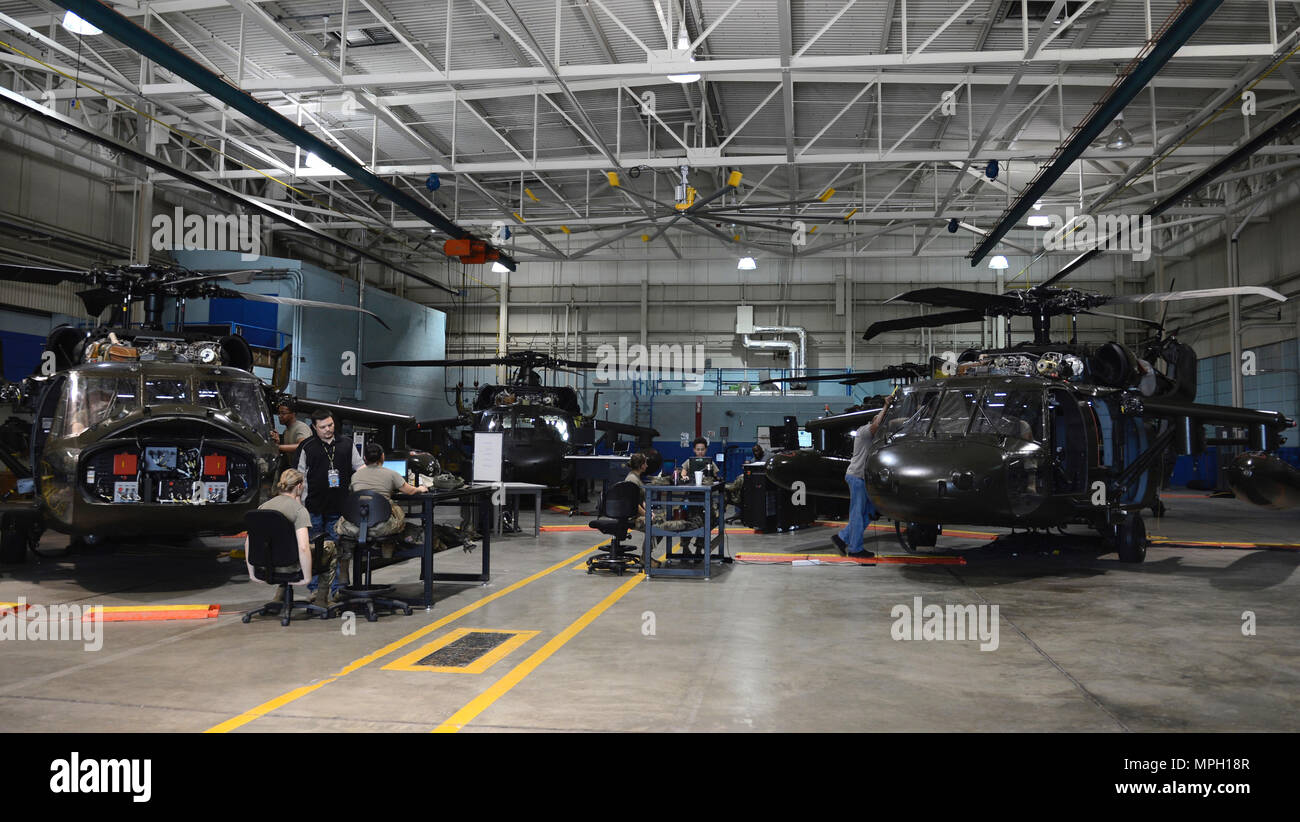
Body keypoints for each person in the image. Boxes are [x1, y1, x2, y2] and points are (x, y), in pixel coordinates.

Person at [245, 469, 337, 608]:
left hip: (266, 565)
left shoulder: (263, 507)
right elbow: (303, 547)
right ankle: (321, 600)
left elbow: (249, 542)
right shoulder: (298, 510)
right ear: (299, 486)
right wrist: (306, 577)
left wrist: (252, 573)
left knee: (280, 546)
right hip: (290, 566)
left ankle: (279, 597)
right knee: (330, 546)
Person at [297, 410, 364, 593]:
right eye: (323, 427)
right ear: (314, 427)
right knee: (314, 549)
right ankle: (315, 590)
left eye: (330, 425)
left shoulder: (346, 444)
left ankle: (333, 590)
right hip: (313, 507)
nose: (328, 430)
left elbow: (360, 468)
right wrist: (299, 505)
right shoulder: (307, 447)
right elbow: (300, 477)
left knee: (334, 548)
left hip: (338, 506)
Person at [832, 394, 893, 560]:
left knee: (869, 512)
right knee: (858, 513)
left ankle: (843, 537)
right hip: (857, 477)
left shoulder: (869, 434)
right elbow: (877, 425)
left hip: (861, 478)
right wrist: (886, 407)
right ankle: (855, 548)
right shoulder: (866, 431)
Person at [337, 442, 429, 542]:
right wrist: (420, 488)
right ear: (382, 457)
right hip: (382, 527)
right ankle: (389, 549)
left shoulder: (355, 476)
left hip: (357, 524)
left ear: (364, 458)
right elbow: (410, 491)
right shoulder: (392, 474)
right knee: (395, 509)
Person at [675, 437, 719, 557]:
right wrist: (684, 477)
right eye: (698, 449)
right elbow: (683, 473)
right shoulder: (689, 462)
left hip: (705, 498)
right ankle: (685, 547)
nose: (700, 452)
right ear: (694, 450)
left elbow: (715, 477)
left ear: (706, 450)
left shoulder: (710, 463)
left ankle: (699, 549)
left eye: (702, 449)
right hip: (690, 497)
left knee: (706, 521)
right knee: (687, 522)